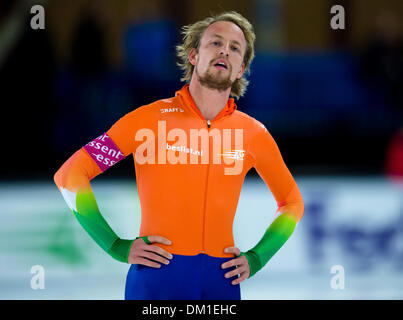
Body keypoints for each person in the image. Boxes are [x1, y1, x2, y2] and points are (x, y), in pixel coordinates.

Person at [54, 11, 304, 300]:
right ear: (194, 55)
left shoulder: (253, 134)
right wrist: (114, 245)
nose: (225, 50)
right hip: (156, 283)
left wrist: (257, 258)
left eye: (235, 48)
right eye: (215, 42)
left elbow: (292, 203)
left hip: (221, 285)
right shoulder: (147, 121)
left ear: (241, 69)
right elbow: (70, 175)